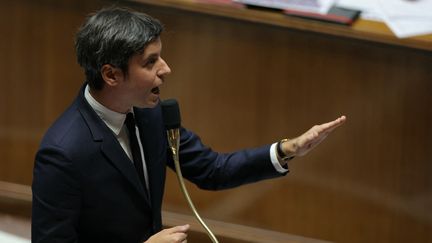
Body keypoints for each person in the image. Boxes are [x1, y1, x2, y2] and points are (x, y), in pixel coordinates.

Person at [31, 6, 346, 243]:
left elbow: (212, 169)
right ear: (111, 75)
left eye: (161, 57)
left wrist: (288, 149)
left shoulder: (150, 114)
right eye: (150, 62)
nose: (166, 69)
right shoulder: (63, 154)